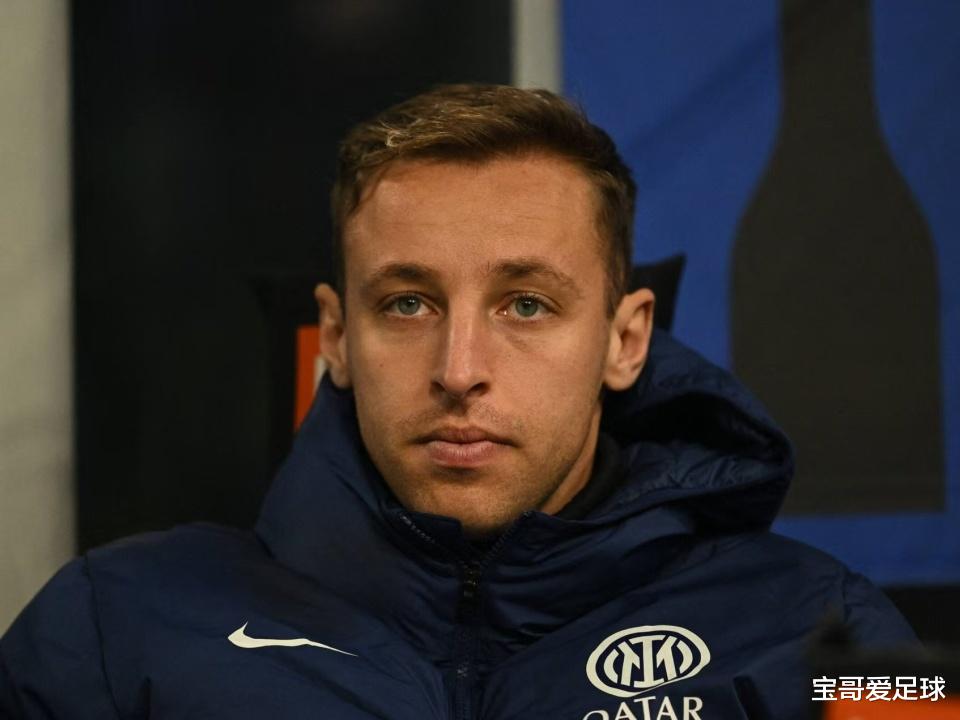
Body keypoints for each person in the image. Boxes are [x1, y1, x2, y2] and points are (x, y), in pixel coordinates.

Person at [0, 84, 915, 719]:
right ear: (337, 337)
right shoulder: (110, 626)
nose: (459, 368)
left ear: (624, 339)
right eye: (408, 303)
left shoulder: (830, 633)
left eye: (527, 304)